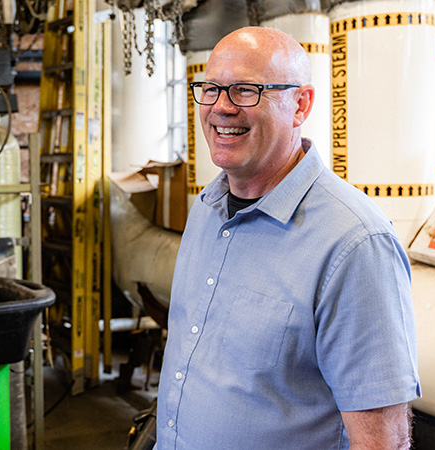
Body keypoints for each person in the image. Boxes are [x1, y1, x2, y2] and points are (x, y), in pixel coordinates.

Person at [156, 27, 421, 449]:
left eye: (245, 90)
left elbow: (382, 442)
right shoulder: (206, 208)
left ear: (301, 105)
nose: (221, 108)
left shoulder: (353, 244)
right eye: (210, 89)